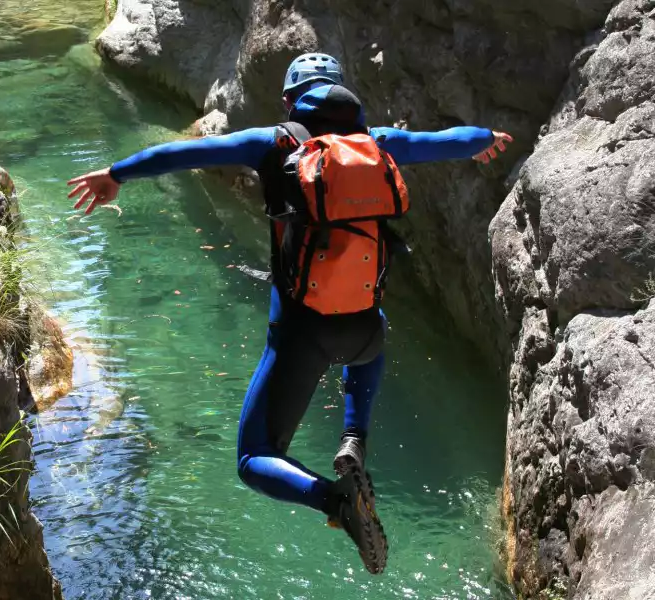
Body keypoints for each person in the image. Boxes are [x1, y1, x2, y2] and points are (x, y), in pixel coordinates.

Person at [67, 53, 513, 574]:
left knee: (254, 457)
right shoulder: (378, 145)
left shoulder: (273, 143)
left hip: (302, 334)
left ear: (289, 100)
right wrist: (485, 138)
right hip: (366, 332)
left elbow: (184, 154)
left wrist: (117, 173)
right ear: (343, 96)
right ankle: (354, 440)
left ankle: (334, 501)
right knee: (374, 330)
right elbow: (445, 141)